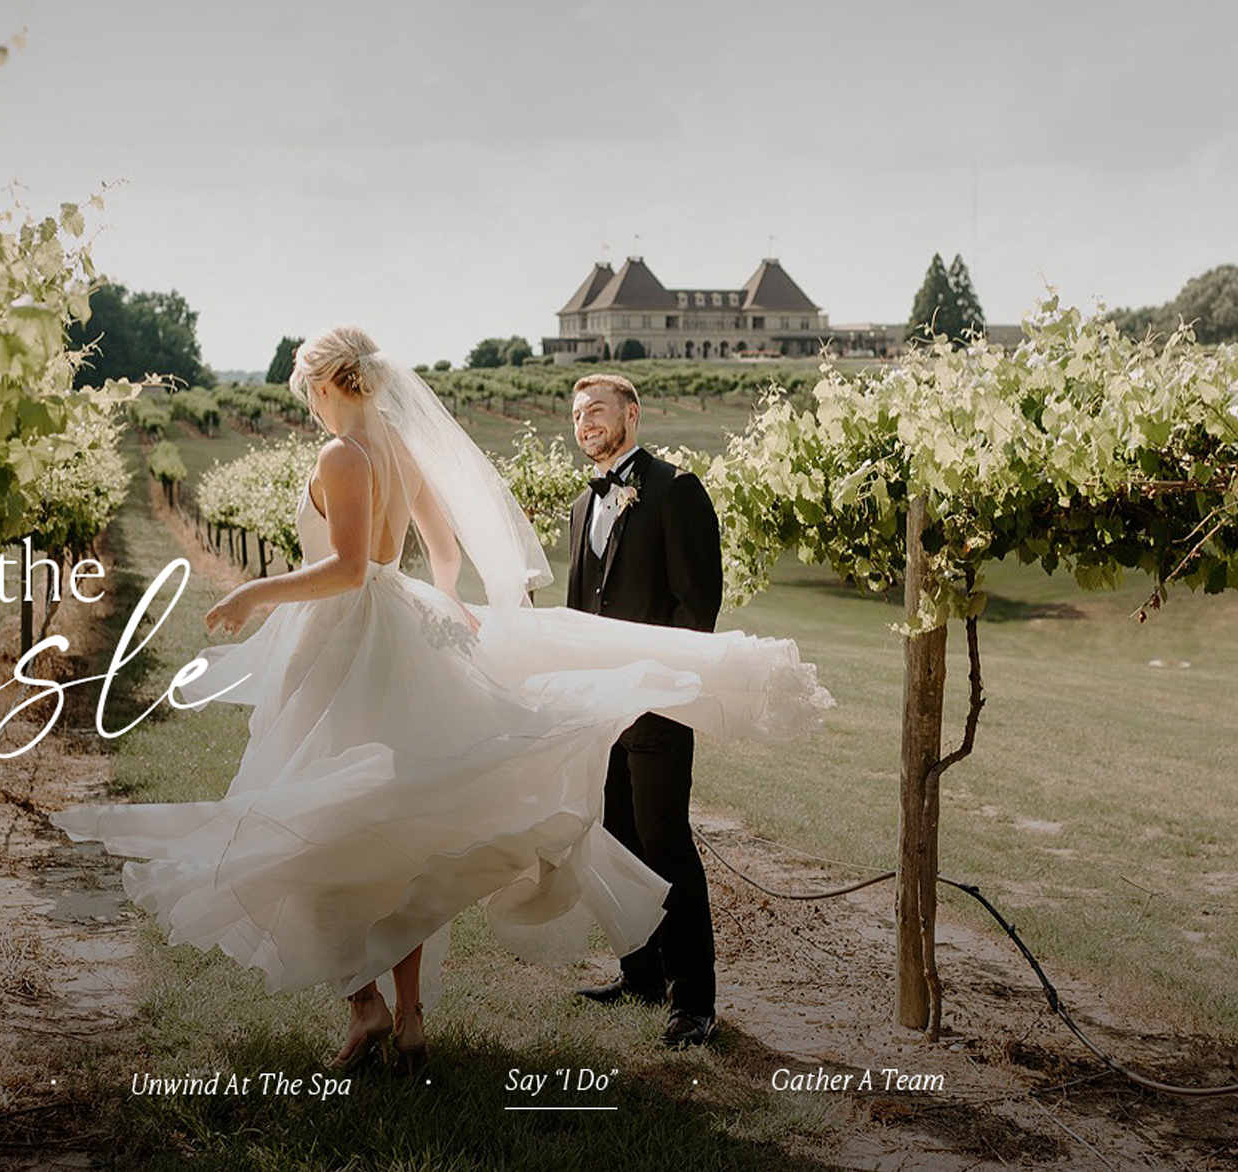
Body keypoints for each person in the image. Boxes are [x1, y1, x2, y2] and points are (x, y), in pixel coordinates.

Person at [51, 327, 827, 1070]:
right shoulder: (398, 446)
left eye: (307, 392)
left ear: (326, 383)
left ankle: (368, 1007)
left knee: (311, 813)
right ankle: (412, 1011)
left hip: (344, 640)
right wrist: (440, 600)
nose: (309, 407)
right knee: (399, 821)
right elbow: (444, 549)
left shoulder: (343, 451)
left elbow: (350, 568)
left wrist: (255, 592)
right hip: (397, 631)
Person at [564, 373, 724, 1049]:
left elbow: (698, 602)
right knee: (619, 842)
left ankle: (694, 999)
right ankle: (640, 974)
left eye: (597, 409)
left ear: (632, 415)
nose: (585, 421)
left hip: (657, 705)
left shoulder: (675, 490)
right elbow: (577, 614)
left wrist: (665, 686)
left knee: (665, 843)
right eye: (576, 413)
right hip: (601, 709)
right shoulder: (580, 506)